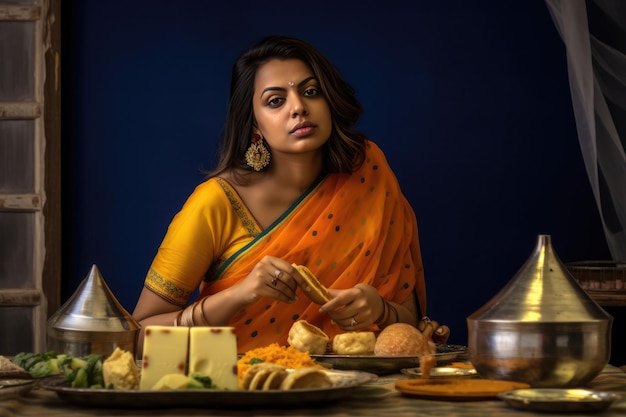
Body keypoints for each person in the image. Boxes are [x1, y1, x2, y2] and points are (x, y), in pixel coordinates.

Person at [132, 35, 449, 355]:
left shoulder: (368, 175)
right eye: (275, 101)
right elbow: (137, 334)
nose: (299, 107)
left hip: (354, 391)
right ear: (254, 124)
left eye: (311, 92)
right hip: (239, 389)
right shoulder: (216, 204)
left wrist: (380, 310)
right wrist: (238, 294)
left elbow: (409, 322)